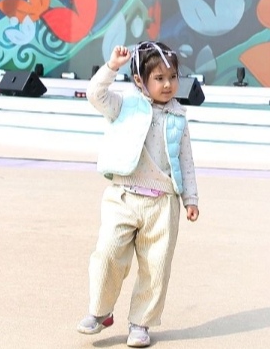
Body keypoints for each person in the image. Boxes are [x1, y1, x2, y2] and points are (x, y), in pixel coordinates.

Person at [77, 41, 200, 348]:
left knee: (156, 267)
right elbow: (95, 94)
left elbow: (186, 159)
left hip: (163, 203)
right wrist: (111, 67)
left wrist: (191, 198)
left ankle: (140, 322)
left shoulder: (178, 116)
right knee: (107, 254)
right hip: (123, 197)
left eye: (172, 77)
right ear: (139, 80)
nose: (168, 84)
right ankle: (100, 312)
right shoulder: (124, 106)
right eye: (159, 78)